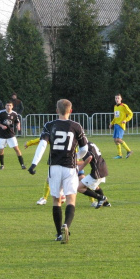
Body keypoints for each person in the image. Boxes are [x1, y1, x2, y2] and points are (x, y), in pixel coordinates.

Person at [27, 99, 88, 244]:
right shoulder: (76, 126)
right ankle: (66, 224)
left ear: (56, 111)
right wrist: (75, 157)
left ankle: (58, 233)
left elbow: (42, 145)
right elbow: (84, 150)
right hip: (69, 167)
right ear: (71, 111)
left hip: (54, 167)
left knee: (56, 200)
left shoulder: (50, 125)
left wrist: (34, 163)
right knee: (71, 199)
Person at [77, 141, 111, 209]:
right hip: (102, 166)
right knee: (94, 186)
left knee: (79, 188)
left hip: (97, 169)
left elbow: (89, 158)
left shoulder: (83, 146)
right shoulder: (90, 143)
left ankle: (100, 198)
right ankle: (106, 203)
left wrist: (78, 167)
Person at [0, 101, 26, 170]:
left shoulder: (14, 114)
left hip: (11, 134)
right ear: (5, 106)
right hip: (2, 134)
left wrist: (18, 126)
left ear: (12, 106)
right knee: (1, 150)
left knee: (16, 149)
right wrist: (2, 126)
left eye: (10, 105)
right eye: (7, 105)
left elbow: (17, 121)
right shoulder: (1, 113)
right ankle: (2, 165)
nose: (8, 107)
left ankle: (22, 164)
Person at [109, 93, 133, 159]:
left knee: (118, 139)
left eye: (118, 98)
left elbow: (130, 114)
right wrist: (111, 123)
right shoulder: (115, 107)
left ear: (121, 99)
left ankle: (129, 151)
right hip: (116, 125)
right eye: (116, 98)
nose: (117, 99)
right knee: (115, 140)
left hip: (121, 125)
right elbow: (115, 117)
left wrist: (126, 120)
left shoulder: (124, 106)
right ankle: (119, 155)